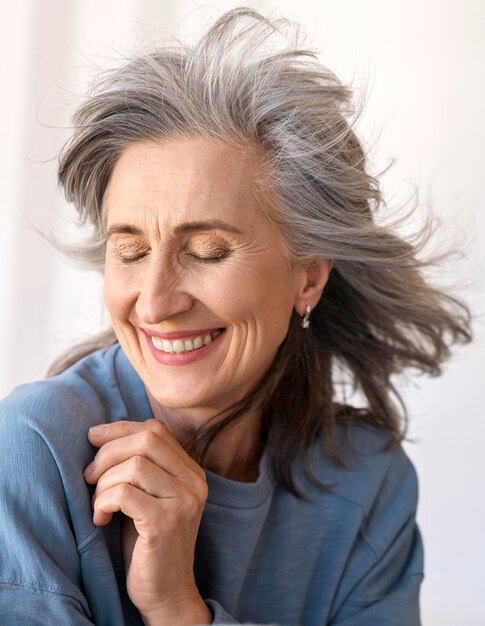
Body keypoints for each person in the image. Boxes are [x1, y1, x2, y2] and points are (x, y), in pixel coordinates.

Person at [0, 7, 472, 626]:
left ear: (307, 276)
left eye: (207, 252)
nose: (156, 301)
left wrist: (177, 608)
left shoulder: (367, 483)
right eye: (131, 250)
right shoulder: (33, 452)